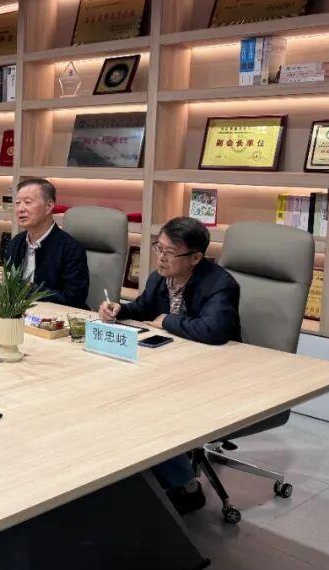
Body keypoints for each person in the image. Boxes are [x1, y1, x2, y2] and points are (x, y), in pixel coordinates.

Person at [98, 216, 241, 514]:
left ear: (195, 258)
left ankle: (186, 487)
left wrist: (166, 321)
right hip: (170, 366)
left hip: (212, 374)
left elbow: (212, 331)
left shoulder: (220, 285)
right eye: (158, 248)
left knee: (147, 408)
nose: (161, 257)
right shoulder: (160, 277)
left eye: (170, 252)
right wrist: (119, 310)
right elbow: (143, 308)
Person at [2, 178, 90, 309]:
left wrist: (29, 289)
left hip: (54, 317)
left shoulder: (71, 249)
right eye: (17, 203)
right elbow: (8, 285)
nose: (20, 209)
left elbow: (75, 299)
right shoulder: (16, 242)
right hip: (17, 313)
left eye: (28, 202)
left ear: (49, 206)